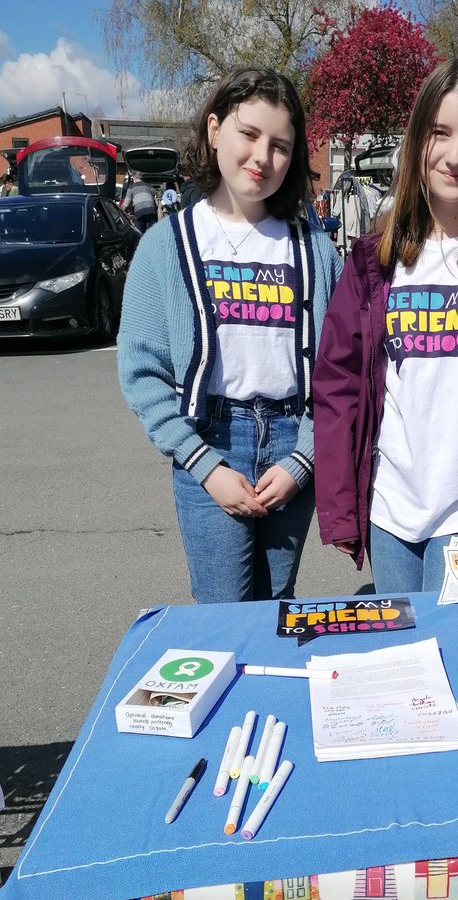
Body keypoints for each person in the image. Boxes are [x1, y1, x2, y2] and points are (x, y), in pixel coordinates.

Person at [313, 57, 458, 593]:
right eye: (440, 133)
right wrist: (340, 501)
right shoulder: (374, 259)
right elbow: (337, 384)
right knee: (408, 656)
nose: (454, 155)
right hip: (389, 509)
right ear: (418, 138)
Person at [118, 66, 342, 604]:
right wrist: (202, 464)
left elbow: (341, 369)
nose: (263, 158)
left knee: (277, 605)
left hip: (292, 444)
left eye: (281, 146)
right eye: (249, 134)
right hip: (212, 442)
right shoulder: (166, 245)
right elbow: (142, 371)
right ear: (215, 129)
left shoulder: (313, 250)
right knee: (220, 613)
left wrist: (304, 460)